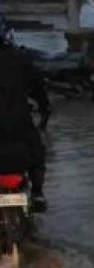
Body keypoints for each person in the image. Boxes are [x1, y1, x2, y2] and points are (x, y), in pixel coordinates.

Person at [0, 35, 49, 213]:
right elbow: (38, 87)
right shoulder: (20, 60)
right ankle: (37, 193)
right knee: (38, 153)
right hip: (19, 129)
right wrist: (45, 108)